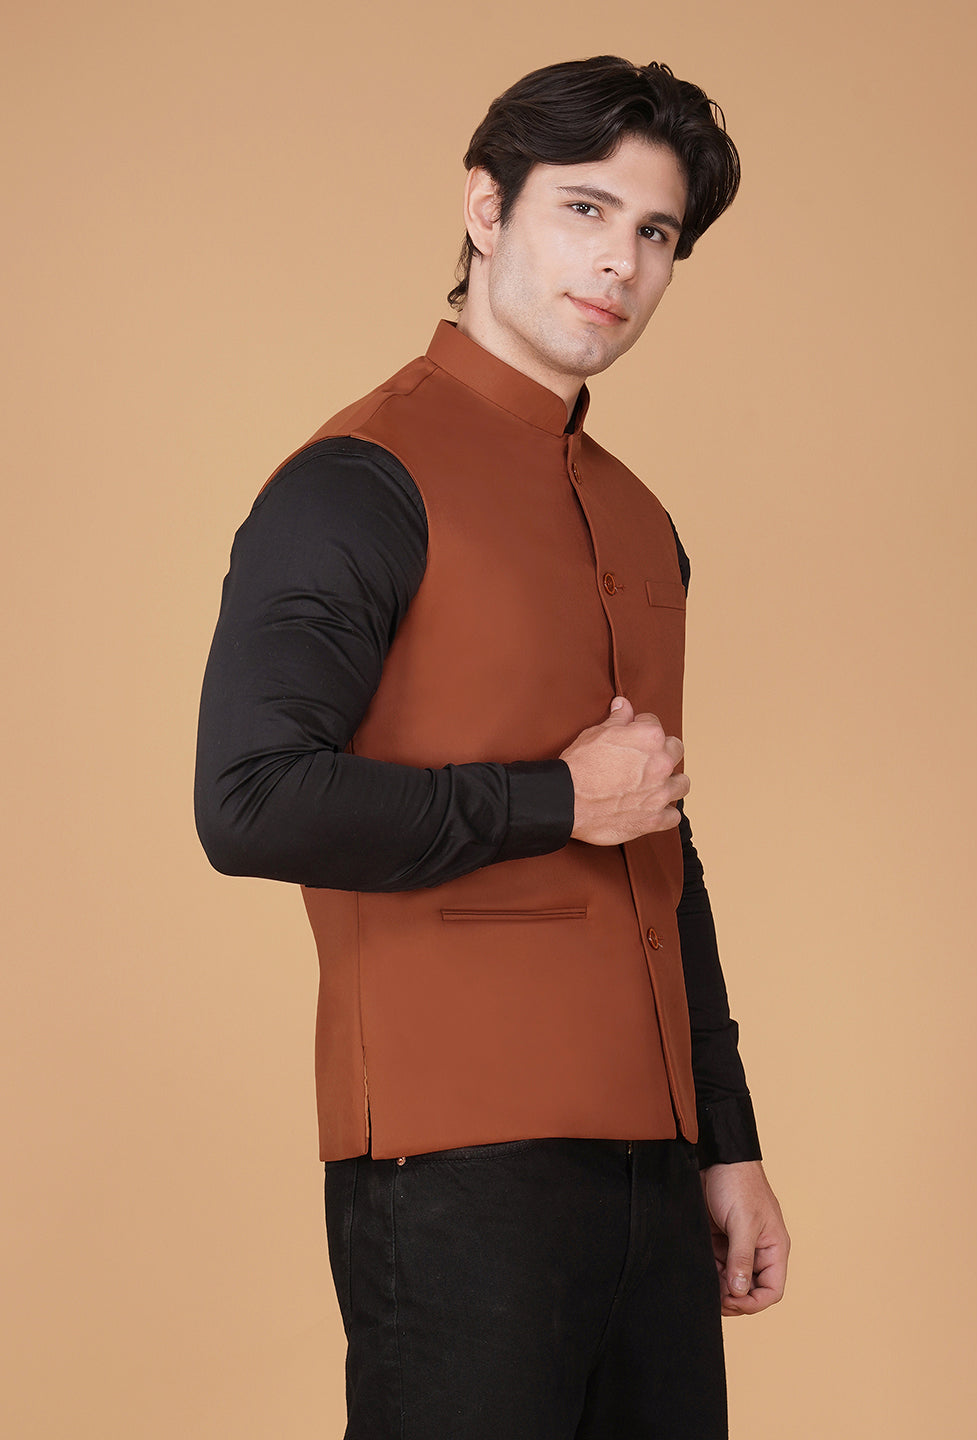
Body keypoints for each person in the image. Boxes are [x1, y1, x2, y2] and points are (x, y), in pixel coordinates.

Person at [195, 54, 789, 1440]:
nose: (622, 262)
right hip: (450, 1160)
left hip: (653, 1166)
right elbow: (250, 801)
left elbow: (659, 845)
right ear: (485, 207)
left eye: (657, 233)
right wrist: (556, 799)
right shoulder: (357, 480)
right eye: (586, 210)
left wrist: (729, 1142)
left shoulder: (638, 518)